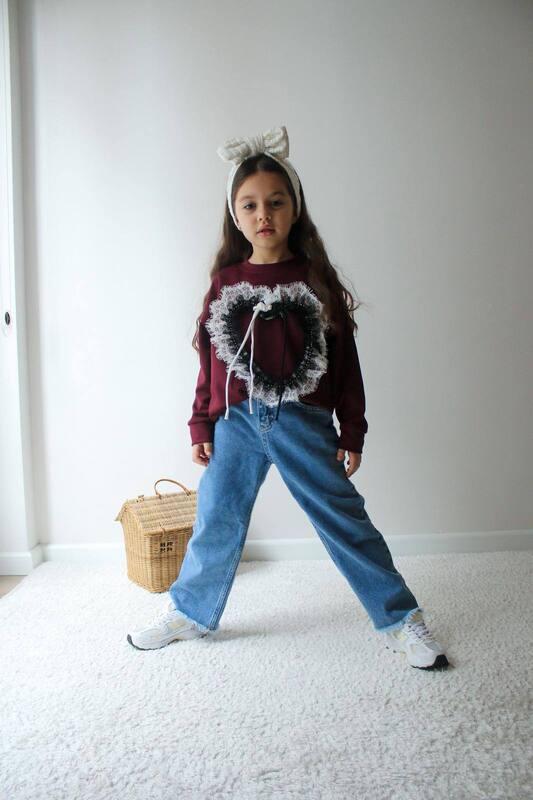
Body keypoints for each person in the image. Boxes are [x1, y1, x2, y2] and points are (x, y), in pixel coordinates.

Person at [127, 125, 450, 670]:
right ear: (236, 216)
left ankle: (399, 618)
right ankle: (190, 612)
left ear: (295, 209)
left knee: (344, 519)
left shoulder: (315, 280)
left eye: (276, 202)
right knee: (216, 517)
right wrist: (201, 423)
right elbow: (211, 360)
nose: (264, 215)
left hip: (303, 421)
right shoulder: (226, 282)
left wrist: (353, 430)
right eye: (250, 205)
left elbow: (345, 365)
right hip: (236, 422)